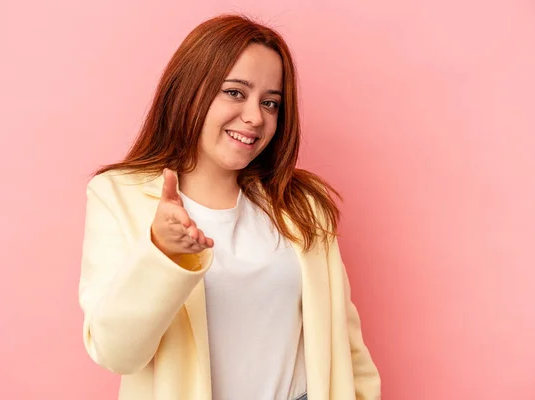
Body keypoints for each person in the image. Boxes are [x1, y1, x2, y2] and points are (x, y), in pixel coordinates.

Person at [78, 13, 380, 400]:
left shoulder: (302, 205)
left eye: (270, 103)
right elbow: (115, 352)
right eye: (235, 92)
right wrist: (162, 252)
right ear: (189, 91)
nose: (255, 117)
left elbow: (347, 347)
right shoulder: (118, 195)